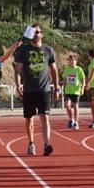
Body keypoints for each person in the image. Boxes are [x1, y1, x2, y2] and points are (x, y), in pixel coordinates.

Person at [14, 25, 60, 156]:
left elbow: (54, 70)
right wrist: (18, 84)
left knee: (45, 117)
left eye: (37, 32)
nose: (35, 34)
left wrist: (56, 88)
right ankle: (31, 143)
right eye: (33, 32)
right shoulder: (23, 51)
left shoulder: (48, 50)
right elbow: (18, 69)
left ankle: (47, 144)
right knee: (29, 119)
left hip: (44, 89)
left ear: (42, 34)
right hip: (29, 90)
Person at [62, 52, 86, 130]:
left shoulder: (79, 69)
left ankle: (76, 122)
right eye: (70, 60)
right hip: (68, 91)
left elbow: (83, 79)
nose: (72, 62)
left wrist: (82, 88)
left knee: (75, 106)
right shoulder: (67, 69)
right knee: (67, 105)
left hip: (76, 91)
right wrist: (64, 89)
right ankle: (70, 119)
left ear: (76, 61)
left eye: (73, 60)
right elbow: (65, 80)